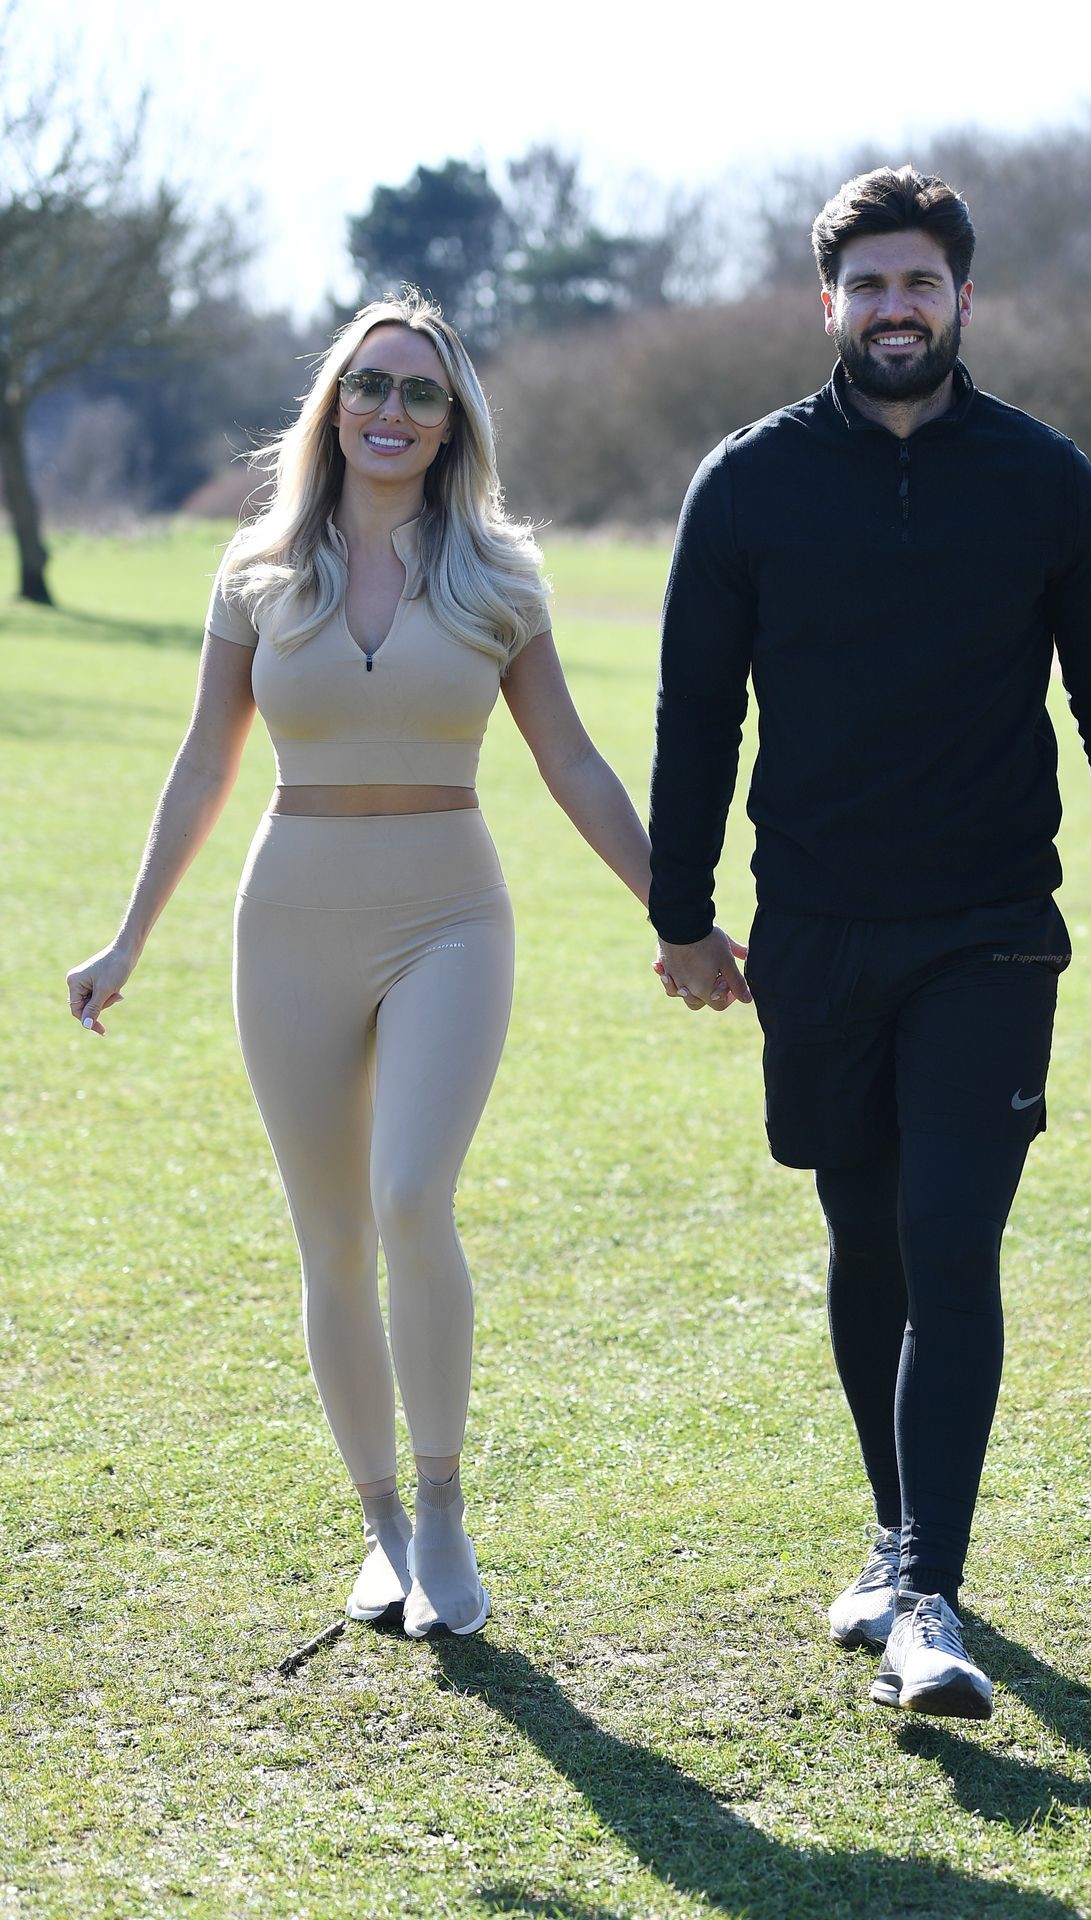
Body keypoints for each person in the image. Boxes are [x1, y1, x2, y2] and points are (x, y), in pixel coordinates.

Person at [647, 167, 1091, 1719]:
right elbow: (699, 711)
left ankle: (930, 1596)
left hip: (991, 932)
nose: (898, 308)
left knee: (952, 1237)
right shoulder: (747, 484)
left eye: (923, 283)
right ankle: (898, 1543)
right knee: (868, 1235)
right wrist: (682, 912)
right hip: (816, 932)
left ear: (963, 298)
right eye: (871, 285)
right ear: (830, 303)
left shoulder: (1043, 479)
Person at [65, 289, 685, 1639]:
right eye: (369, 385)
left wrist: (674, 913)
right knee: (333, 1237)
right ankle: (383, 1528)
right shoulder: (256, 570)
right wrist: (129, 936)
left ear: (453, 421)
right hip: (288, 919)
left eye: (420, 391)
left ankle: (447, 1513)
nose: (391, 410)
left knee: (410, 1197)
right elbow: (204, 764)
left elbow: (571, 761)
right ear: (333, 406)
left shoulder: (498, 575)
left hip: (449, 914)